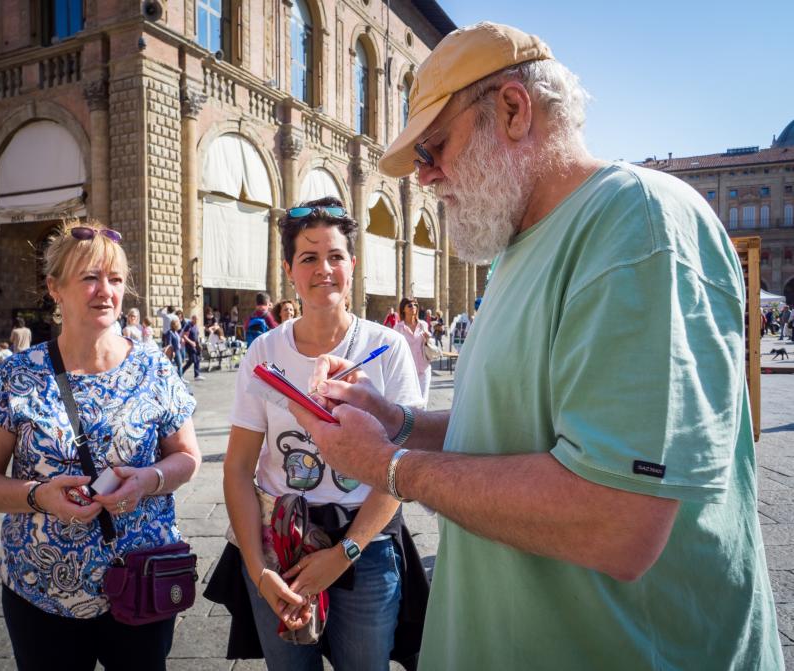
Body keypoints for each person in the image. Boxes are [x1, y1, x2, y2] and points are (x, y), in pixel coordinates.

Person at [283, 22, 783, 670]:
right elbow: (515, 431)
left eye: (434, 148)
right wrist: (399, 421)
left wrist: (388, 466)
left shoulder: (636, 223)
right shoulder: (517, 251)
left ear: (513, 110)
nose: (426, 178)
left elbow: (616, 519)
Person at [0, 220, 201, 670]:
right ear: (55, 288)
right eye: (89, 277)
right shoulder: (17, 376)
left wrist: (148, 480)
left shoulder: (154, 367)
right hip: (42, 591)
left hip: (142, 578)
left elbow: (187, 457)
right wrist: (38, 496)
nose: (105, 291)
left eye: (115, 279)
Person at [204, 198, 428, 670]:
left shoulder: (386, 348)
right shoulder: (264, 352)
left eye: (335, 256)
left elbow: (399, 468)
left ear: (353, 264)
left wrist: (344, 553)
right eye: (308, 257)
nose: (323, 269)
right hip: (281, 541)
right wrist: (258, 568)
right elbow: (239, 468)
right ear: (289, 269)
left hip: (365, 545)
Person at [394, 297, 433, 406]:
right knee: (410, 402)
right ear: (403, 309)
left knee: (423, 401)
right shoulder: (398, 328)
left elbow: (427, 343)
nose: (413, 307)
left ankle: (423, 422)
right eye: (410, 305)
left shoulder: (423, 325)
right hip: (407, 370)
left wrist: (428, 339)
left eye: (415, 305)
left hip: (423, 368)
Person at [181, 314, 203, 381]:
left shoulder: (195, 326)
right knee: (192, 359)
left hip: (196, 344)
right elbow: (184, 336)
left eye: (197, 319)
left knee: (197, 359)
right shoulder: (188, 325)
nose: (196, 321)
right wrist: (191, 342)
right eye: (195, 319)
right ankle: (180, 372)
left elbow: (197, 335)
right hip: (189, 345)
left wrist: (199, 343)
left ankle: (197, 375)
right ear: (192, 319)